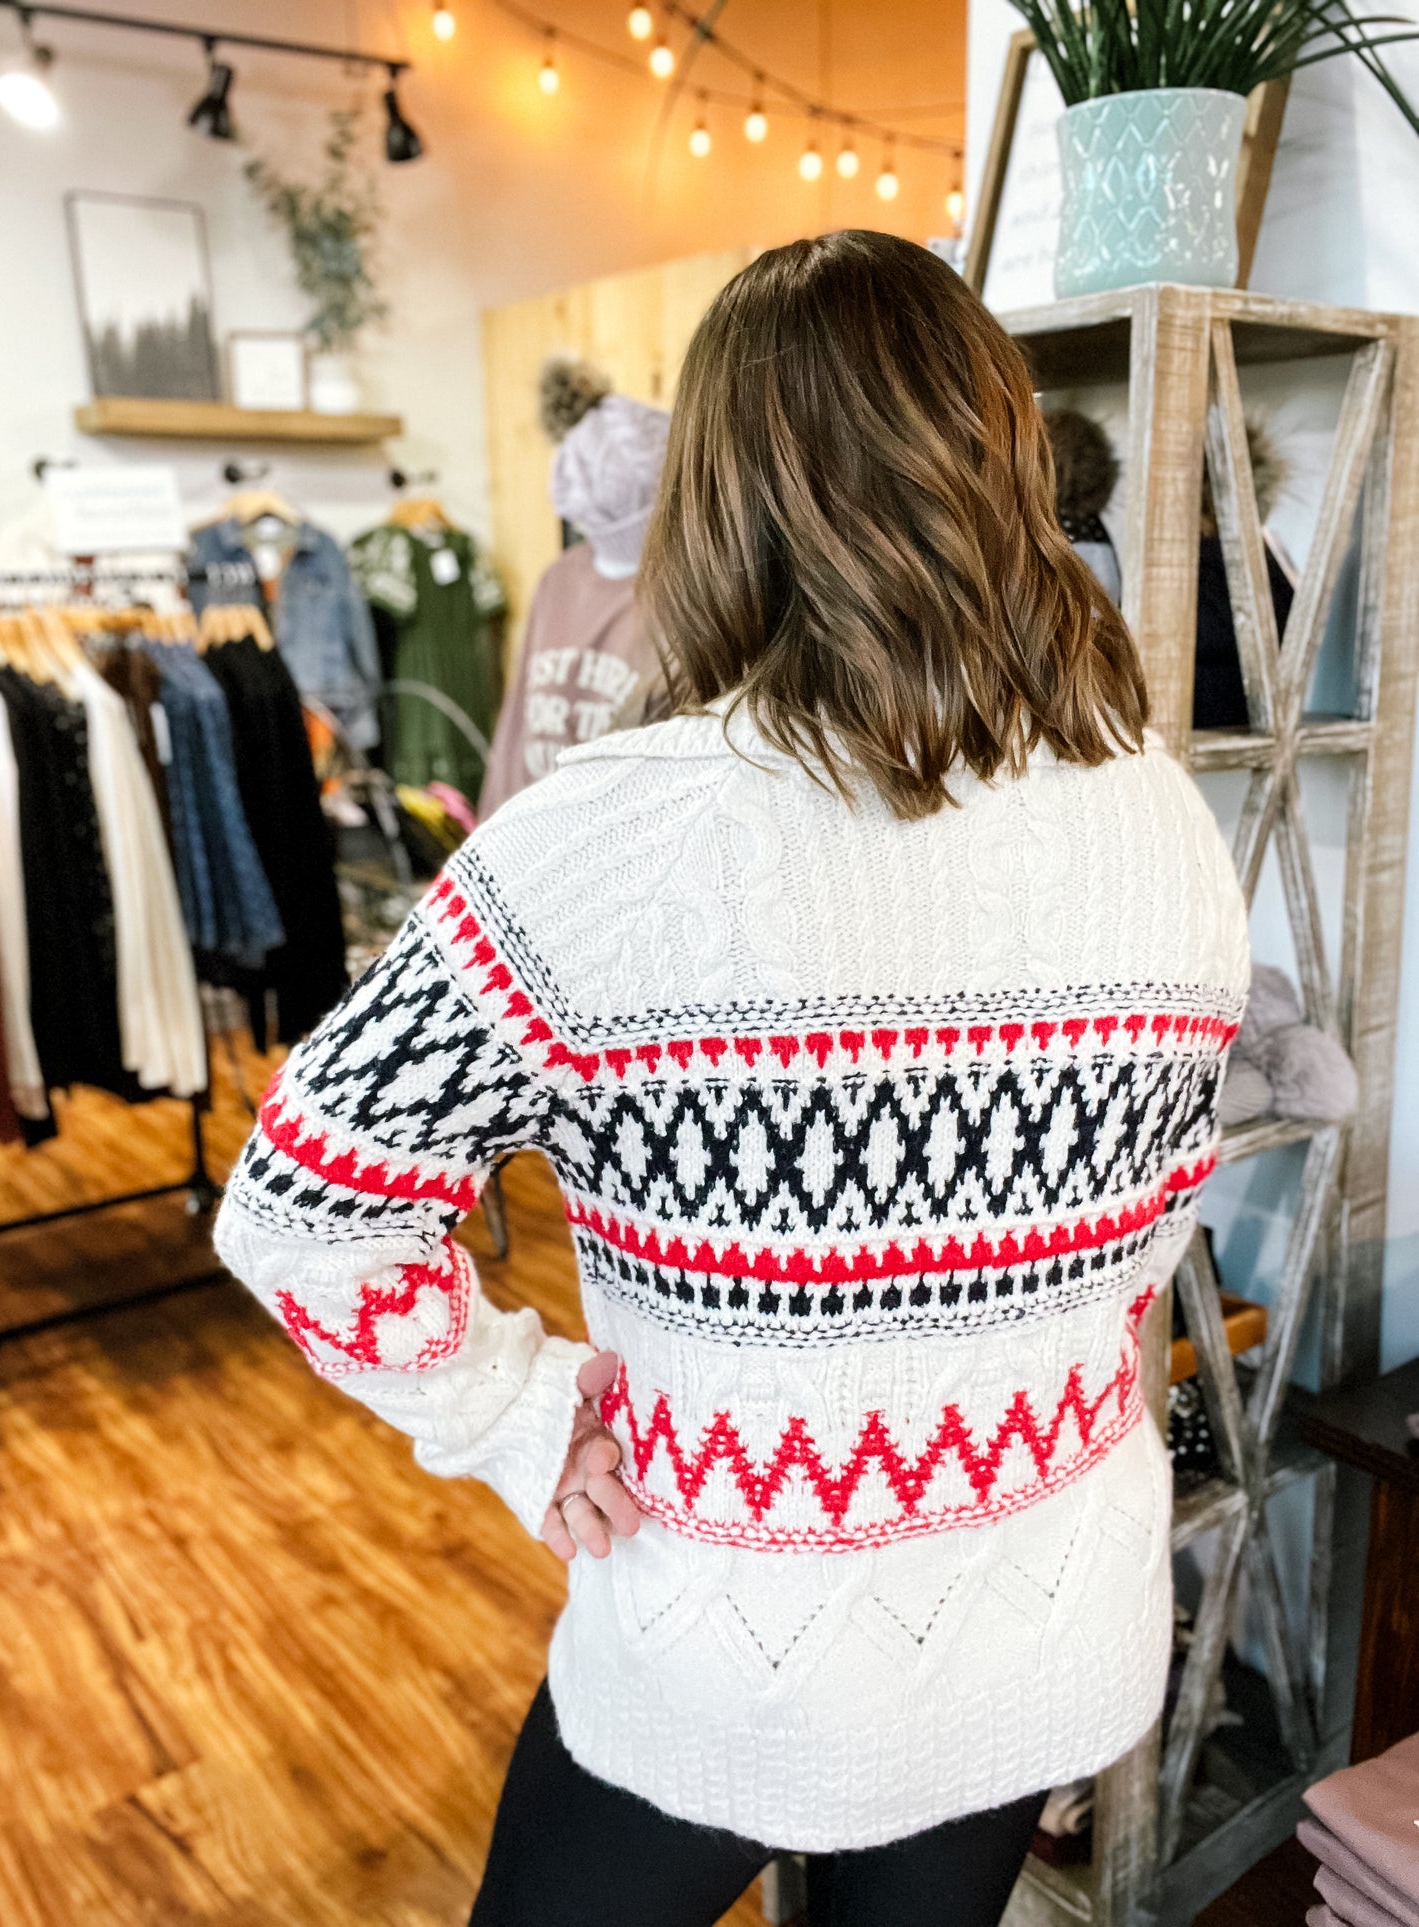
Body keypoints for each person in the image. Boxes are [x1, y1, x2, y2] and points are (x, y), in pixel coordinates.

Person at [215, 232, 1248, 1927]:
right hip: (1042, 1616)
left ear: (717, 500)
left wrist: (520, 1410)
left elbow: (304, 1212)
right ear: (997, 468)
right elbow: (1150, 1222)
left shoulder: (605, 844)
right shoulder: (1153, 815)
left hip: (726, 1641)